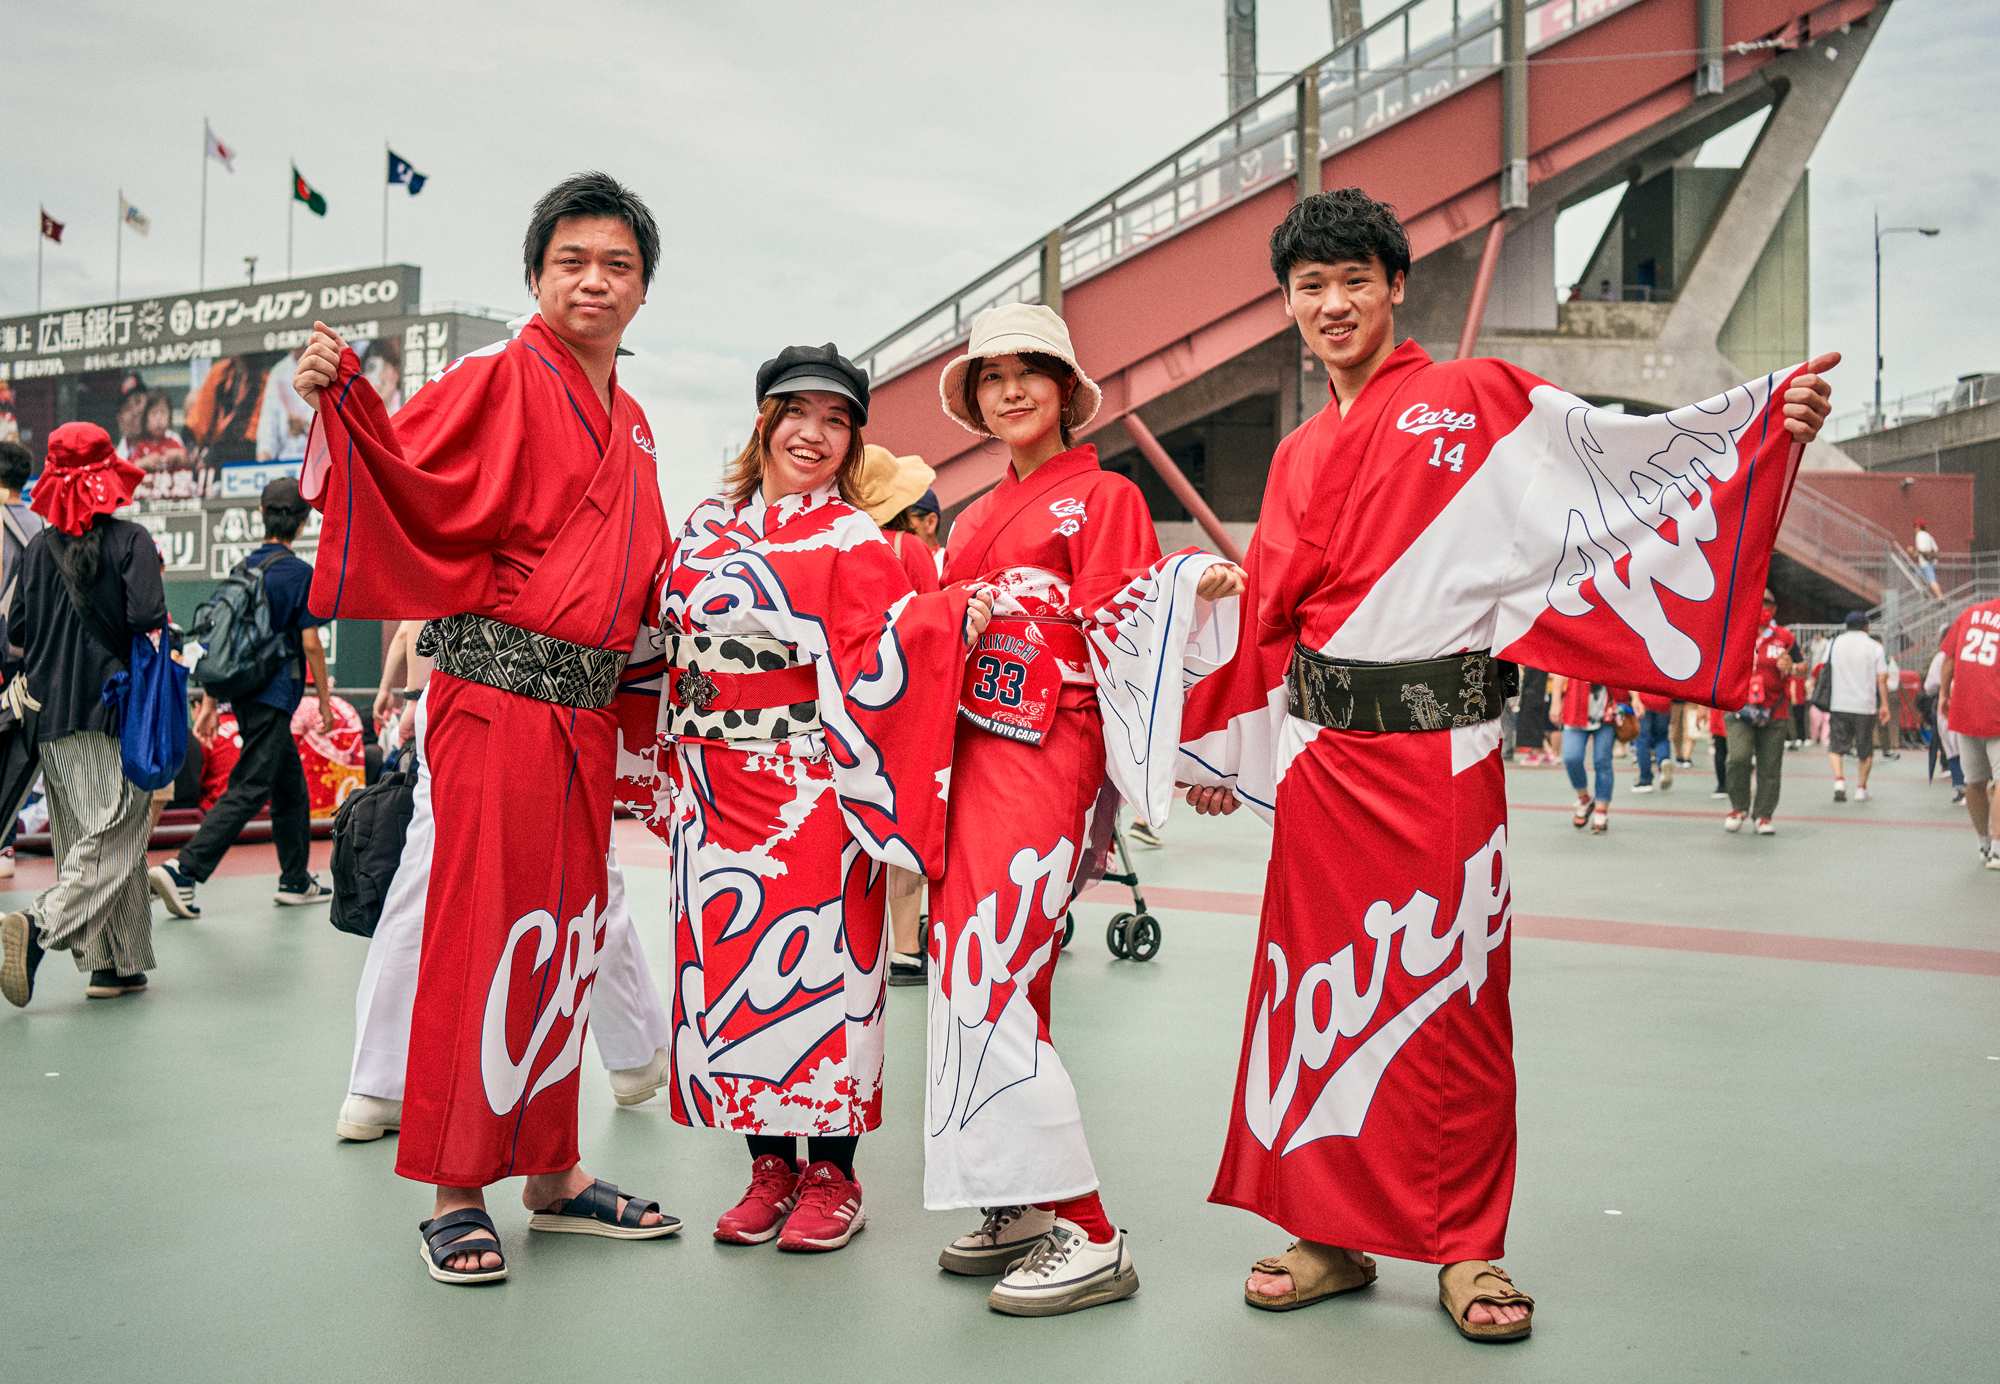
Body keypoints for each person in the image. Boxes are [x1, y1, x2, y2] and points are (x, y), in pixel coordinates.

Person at [1175, 187, 1835, 1341]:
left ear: (1392, 285)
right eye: (1307, 287)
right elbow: (1274, 621)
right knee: (1309, 995)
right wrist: (1220, 741)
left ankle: (1465, 1245)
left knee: (1453, 998)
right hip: (1325, 761)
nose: (1330, 304)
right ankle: (1325, 1230)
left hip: (1444, 752)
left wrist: (1763, 426)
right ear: (1287, 305)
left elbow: (1618, 474)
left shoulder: (1473, 398)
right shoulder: (1292, 455)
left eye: (1350, 281)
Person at [291, 171, 677, 1284]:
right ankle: (457, 1190)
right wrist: (336, 395)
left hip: (581, 716)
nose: (593, 280)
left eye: (616, 264)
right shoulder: (497, 376)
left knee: (561, 939)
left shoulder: (637, 423)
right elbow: (398, 463)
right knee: (476, 929)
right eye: (572, 261)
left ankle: (551, 1175)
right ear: (535, 276)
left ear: (643, 289)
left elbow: (642, 578)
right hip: (496, 697)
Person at [925, 303, 1244, 1316]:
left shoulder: (1100, 496)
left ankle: (1092, 1231)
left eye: (1031, 371)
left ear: (1066, 388)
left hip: (1049, 756)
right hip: (973, 757)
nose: (1009, 390)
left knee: (987, 968)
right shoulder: (972, 515)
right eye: (990, 377)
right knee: (1000, 975)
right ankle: (1019, 1197)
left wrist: (1193, 594)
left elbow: (1130, 635)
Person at [643, 346, 980, 1256]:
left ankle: (833, 1171)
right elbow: (655, 642)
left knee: (826, 979)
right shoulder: (705, 526)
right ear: (765, 421)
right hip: (710, 787)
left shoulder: (852, 538)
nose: (816, 437)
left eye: (837, 423)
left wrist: (949, 620)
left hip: (818, 796)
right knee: (726, 975)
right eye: (799, 415)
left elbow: (888, 661)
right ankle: (767, 1168)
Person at [0, 423, 169, 1007]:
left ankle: (113, 966)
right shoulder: (132, 541)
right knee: (117, 838)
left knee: (83, 842)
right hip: (115, 713)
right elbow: (148, 616)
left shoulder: (36, 552)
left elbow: (17, 632)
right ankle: (39, 925)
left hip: (49, 722)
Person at [149, 478, 334, 916]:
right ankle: (184, 869)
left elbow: (220, 640)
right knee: (251, 787)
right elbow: (310, 643)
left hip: (245, 693)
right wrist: (324, 700)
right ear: (303, 523)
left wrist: (211, 703)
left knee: (290, 788)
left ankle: (294, 879)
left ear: (263, 515)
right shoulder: (298, 573)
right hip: (273, 697)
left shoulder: (242, 567)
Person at [855, 444, 946, 988]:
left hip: (849, 699)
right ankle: (907, 948)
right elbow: (935, 619)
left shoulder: (845, 544)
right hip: (908, 699)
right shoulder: (908, 547)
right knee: (906, 822)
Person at [0, 439, 44, 880]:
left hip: (1, 654)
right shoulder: (43, 525)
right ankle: (5, 846)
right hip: (35, 661)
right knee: (20, 752)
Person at [1722, 591, 1799, 834]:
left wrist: (1793, 666)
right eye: (1758, 603)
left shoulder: (1785, 637)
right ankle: (1738, 807)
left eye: (1767, 604)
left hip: (1775, 710)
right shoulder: (1735, 630)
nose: (1763, 608)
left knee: (1770, 765)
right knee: (1737, 758)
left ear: (1774, 609)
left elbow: (1802, 667)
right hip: (1738, 708)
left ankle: (1764, 815)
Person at [1938, 593, 2000, 868]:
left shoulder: (1969, 614)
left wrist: (1943, 693)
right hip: (1996, 711)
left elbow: (1948, 658)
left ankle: (1984, 843)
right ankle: (1998, 849)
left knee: (1974, 782)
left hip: (1965, 709)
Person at [1549, 676, 1630, 834]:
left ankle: (1601, 811)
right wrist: (1555, 702)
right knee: (1572, 758)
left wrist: (1637, 699)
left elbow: (1626, 668)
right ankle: (1584, 799)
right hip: (1575, 708)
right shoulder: (1574, 649)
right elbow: (1560, 672)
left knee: (1602, 761)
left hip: (1607, 712)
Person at [1825, 610, 1890, 803]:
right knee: (1865, 749)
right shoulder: (1874, 646)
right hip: (1865, 705)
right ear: (1866, 627)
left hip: (1839, 703)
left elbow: (1823, 667)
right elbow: (1882, 678)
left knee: (1836, 746)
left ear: (1846, 626)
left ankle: (1839, 781)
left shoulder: (1834, 643)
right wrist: (1884, 705)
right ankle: (1861, 788)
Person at [256, 349, 313, 461]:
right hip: (285, 462)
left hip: (320, 462)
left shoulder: (327, 365)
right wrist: (263, 458)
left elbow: (337, 437)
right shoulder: (279, 371)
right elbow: (267, 431)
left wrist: (305, 428)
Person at [1629, 690, 1673, 792]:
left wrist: (1635, 698)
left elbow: (1634, 677)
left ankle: (1645, 779)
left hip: (1644, 700)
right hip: (1664, 700)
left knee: (1642, 741)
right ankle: (1664, 760)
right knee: (1662, 737)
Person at [1910, 520, 1943, 600]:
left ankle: (1941, 598)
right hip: (1930, 561)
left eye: (1915, 527)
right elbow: (1935, 548)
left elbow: (1921, 549)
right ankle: (1925, 595)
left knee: (1932, 581)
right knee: (1917, 578)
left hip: (1925, 563)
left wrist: (1912, 551)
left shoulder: (1919, 535)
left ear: (1919, 527)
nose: (1914, 529)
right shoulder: (1928, 535)